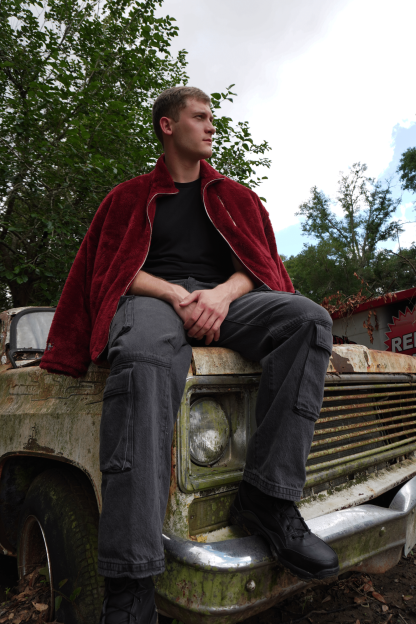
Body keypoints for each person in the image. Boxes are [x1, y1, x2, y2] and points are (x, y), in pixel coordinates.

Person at [40, 86, 339, 624]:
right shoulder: (128, 197)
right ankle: (131, 580)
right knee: (143, 360)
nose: (210, 126)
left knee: (308, 320)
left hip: (227, 302)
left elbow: (258, 268)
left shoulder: (237, 198)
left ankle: (269, 500)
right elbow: (111, 273)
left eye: (212, 118)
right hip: (153, 300)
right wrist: (176, 294)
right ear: (167, 125)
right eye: (200, 117)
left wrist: (221, 296)